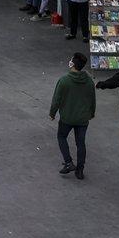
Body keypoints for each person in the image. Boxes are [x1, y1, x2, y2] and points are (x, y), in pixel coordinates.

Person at [49, 52, 96, 180]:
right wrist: (91, 113)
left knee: (61, 136)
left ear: (73, 64)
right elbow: (92, 98)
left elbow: (56, 100)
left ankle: (68, 162)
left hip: (67, 117)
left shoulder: (64, 81)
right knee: (81, 143)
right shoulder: (89, 81)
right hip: (83, 118)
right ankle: (80, 170)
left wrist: (52, 113)